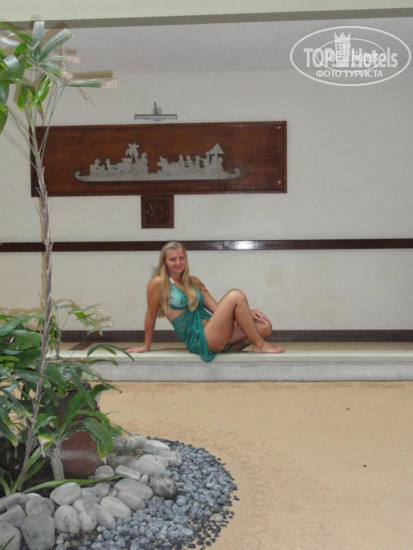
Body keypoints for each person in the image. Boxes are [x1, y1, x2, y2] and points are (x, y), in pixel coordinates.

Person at [127, 241, 285, 362]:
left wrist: (247, 313)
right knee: (235, 295)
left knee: (264, 326)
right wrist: (146, 345)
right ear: (164, 262)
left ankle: (231, 347)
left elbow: (218, 310)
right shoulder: (158, 283)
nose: (178, 263)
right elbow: (151, 315)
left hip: (214, 332)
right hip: (200, 339)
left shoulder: (194, 282)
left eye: (181, 258)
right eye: (172, 259)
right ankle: (259, 345)